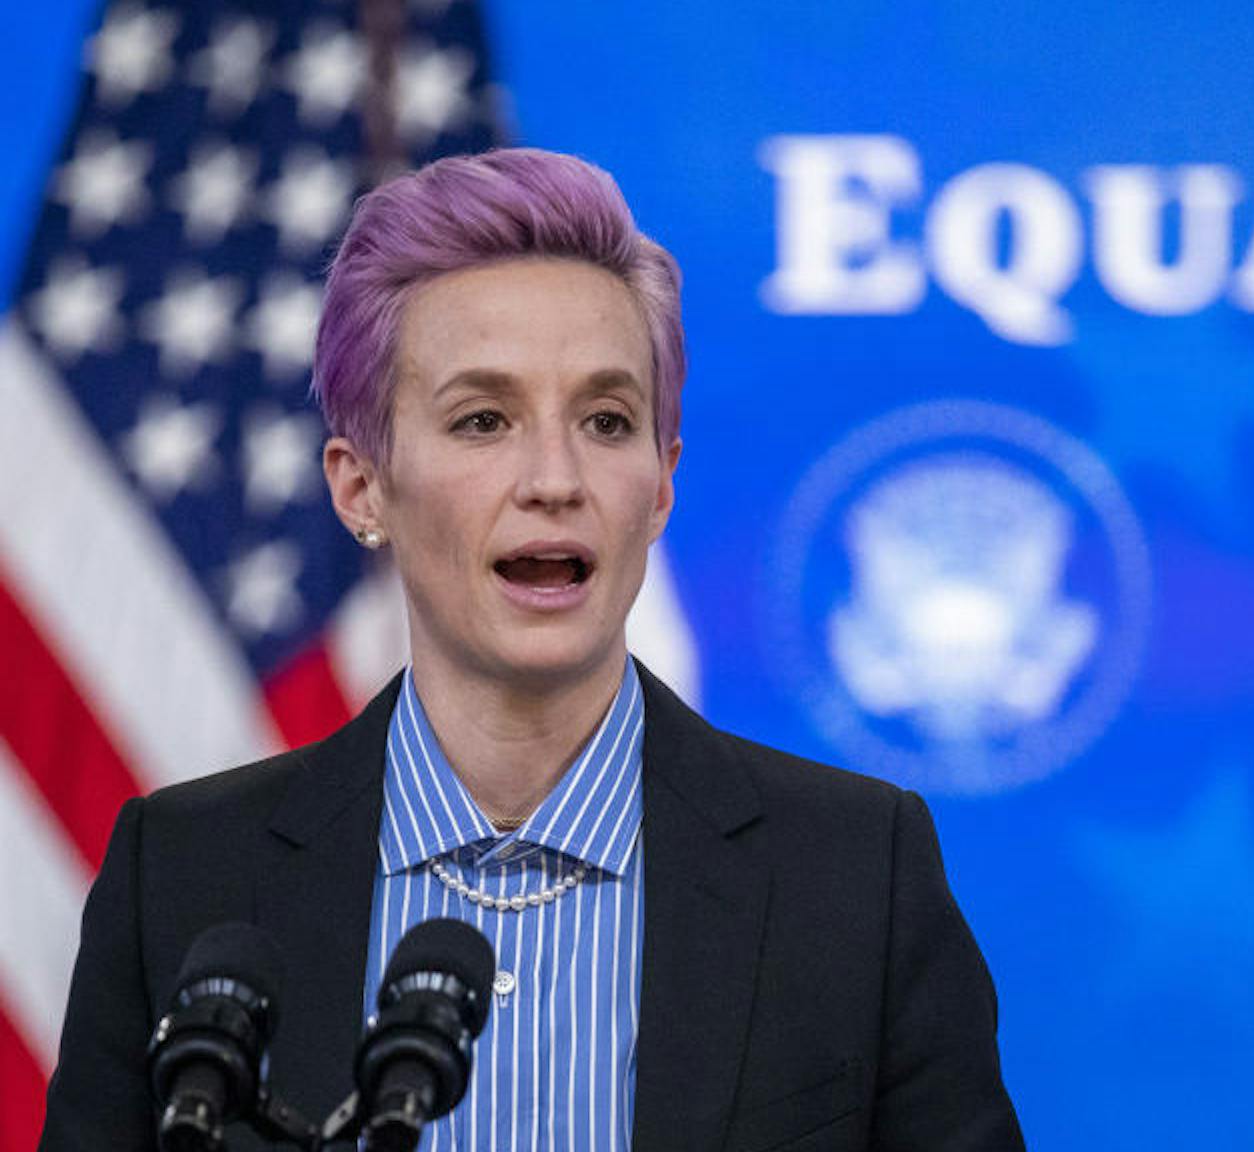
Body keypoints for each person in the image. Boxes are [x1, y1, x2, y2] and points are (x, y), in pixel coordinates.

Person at [39, 148, 1026, 1151]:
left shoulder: (856, 875)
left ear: (660, 486)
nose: (555, 479)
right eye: (483, 420)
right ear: (361, 488)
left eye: (606, 420)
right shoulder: (181, 876)